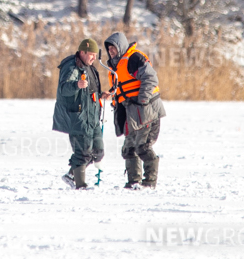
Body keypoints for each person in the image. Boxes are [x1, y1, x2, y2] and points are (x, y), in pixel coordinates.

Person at [103, 32, 164, 189]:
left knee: (142, 146)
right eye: (109, 49)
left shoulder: (134, 59)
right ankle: (133, 182)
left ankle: (149, 182)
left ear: (121, 47)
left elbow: (150, 78)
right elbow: (121, 88)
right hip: (131, 112)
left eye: (114, 48)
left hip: (146, 109)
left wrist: (142, 99)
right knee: (129, 148)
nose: (111, 51)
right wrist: (112, 96)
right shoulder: (114, 66)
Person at [51, 37, 105, 189]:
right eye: (91, 54)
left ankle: (71, 175)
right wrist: (77, 84)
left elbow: (91, 92)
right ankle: (80, 186)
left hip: (93, 117)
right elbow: (63, 89)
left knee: (98, 152)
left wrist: (102, 95)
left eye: (95, 55)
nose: (94, 58)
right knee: (83, 152)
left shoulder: (90, 67)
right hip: (78, 117)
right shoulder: (72, 66)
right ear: (82, 52)